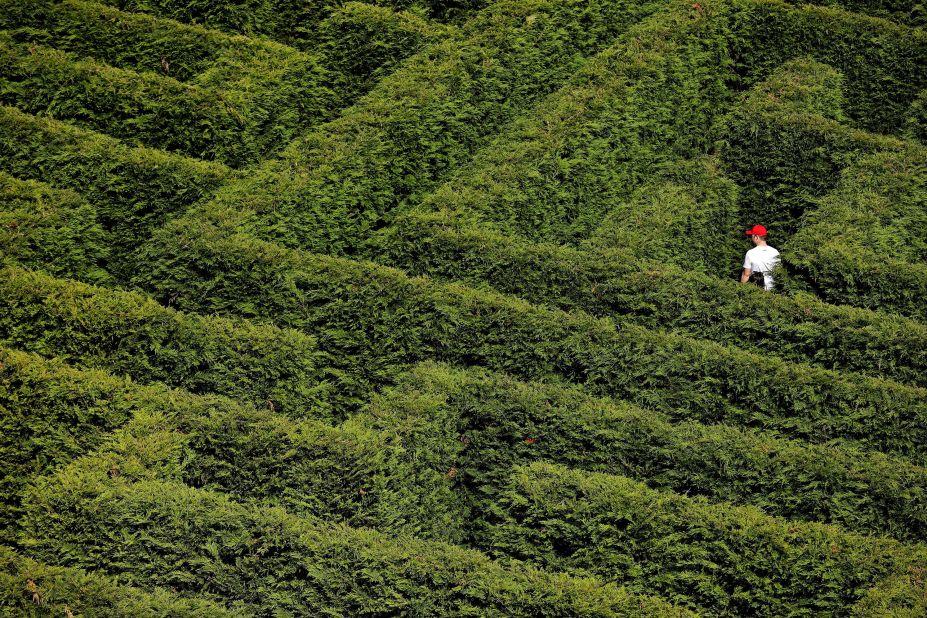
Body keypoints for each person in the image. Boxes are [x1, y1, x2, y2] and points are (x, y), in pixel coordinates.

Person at [741, 224, 780, 291]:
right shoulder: (775, 252)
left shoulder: (751, 253)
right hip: (773, 290)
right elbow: (778, 272)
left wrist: (740, 289)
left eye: (752, 236)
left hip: (756, 290)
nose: (751, 238)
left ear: (756, 237)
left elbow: (746, 275)